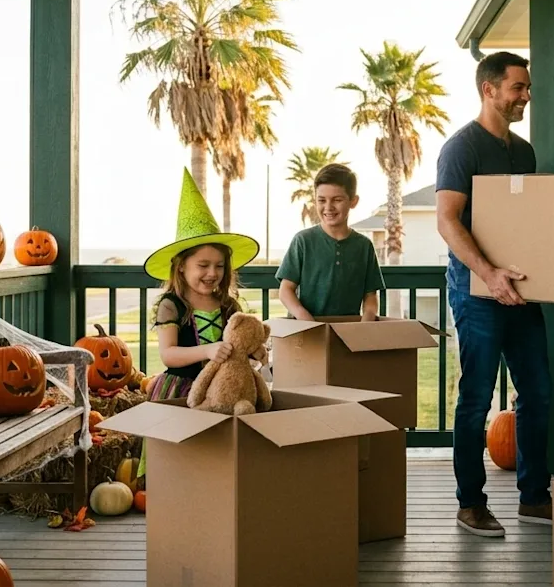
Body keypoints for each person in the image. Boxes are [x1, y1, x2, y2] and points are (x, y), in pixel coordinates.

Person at [435, 51, 552, 537]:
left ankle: (534, 496)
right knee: (476, 396)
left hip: (522, 290)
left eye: (526, 88)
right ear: (489, 90)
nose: (526, 95)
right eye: (518, 87)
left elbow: (524, 221)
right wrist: (489, 274)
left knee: (539, 392)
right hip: (477, 292)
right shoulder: (461, 148)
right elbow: (447, 221)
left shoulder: (523, 152)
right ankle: (470, 503)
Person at [135, 169, 260, 478]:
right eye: (202, 265)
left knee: (215, 461)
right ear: (181, 267)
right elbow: (169, 355)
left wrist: (255, 353)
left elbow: (242, 347)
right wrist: (208, 350)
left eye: (219, 266)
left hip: (223, 395)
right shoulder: (172, 305)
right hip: (179, 391)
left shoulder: (229, 306)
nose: (211, 273)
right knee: (180, 462)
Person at [277, 163, 385, 321]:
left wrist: (366, 323)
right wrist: (303, 317)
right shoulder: (303, 241)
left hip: (349, 333)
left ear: (353, 201)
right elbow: (285, 290)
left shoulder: (364, 246)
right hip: (306, 332)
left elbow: (370, 296)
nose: (328, 207)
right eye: (321, 200)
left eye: (337, 200)